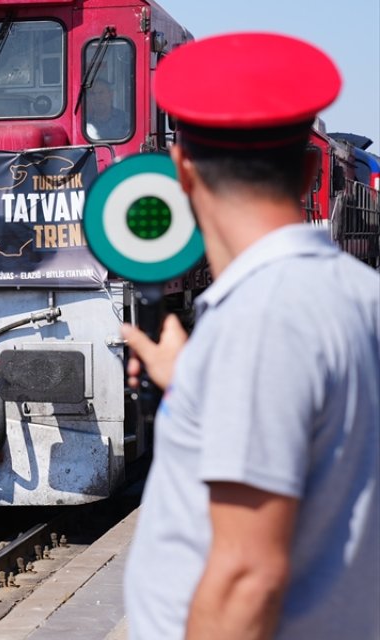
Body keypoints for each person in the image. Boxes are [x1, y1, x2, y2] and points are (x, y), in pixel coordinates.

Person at [121, 32, 380, 640]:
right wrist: (193, 382)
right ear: (314, 167)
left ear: (181, 171)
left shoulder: (262, 321)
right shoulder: (358, 294)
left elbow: (246, 577)